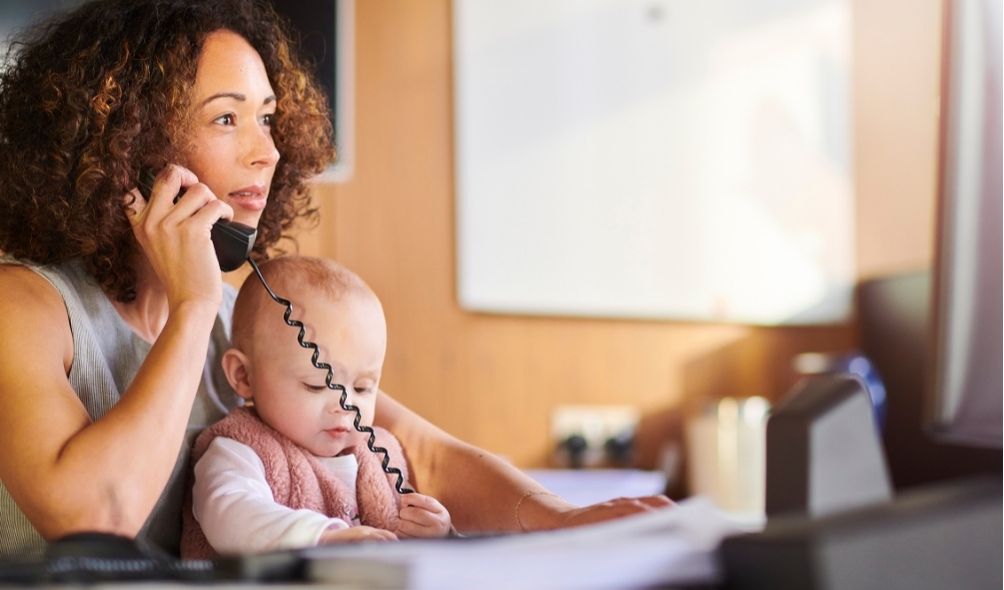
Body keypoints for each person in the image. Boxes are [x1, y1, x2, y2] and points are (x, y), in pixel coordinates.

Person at [0, 0, 670, 560]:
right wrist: (197, 303)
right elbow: (94, 520)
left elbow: (422, 457)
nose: (267, 151)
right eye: (226, 119)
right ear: (127, 147)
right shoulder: (24, 307)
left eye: (265, 117)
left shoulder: (250, 315)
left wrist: (560, 520)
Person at [182, 256, 451, 557]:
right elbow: (230, 515)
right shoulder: (239, 449)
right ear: (243, 376)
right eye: (316, 384)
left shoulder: (381, 455)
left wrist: (433, 531)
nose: (344, 405)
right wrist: (321, 537)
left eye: (362, 387)